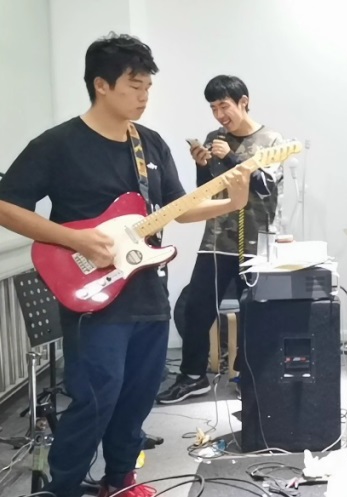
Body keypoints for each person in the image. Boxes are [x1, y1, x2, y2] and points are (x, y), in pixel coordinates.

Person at [0, 33, 252, 497]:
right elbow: (7, 206)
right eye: (135, 86)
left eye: (148, 87)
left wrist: (231, 201)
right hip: (92, 296)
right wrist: (75, 238)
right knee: (96, 398)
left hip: (147, 291)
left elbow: (177, 208)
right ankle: (63, 488)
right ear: (101, 84)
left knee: (138, 396)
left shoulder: (149, 144)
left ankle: (119, 481)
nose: (144, 96)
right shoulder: (58, 144)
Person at [156, 75, 285, 404]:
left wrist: (229, 158)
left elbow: (265, 187)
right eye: (213, 108)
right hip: (216, 239)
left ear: (244, 102)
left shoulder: (272, 140)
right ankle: (193, 376)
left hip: (257, 242)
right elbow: (207, 191)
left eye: (224, 106)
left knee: (253, 312)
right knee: (196, 308)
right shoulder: (215, 138)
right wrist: (202, 165)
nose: (219, 115)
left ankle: (247, 375)